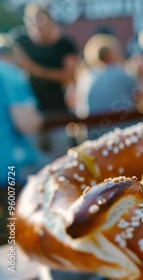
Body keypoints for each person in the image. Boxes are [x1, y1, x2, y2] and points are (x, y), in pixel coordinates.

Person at [0, 35, 44, 245]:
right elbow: (25, 122)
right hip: (10, 166)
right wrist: (37, 118)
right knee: (14, 236)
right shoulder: (10, 75)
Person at [12, 3, 77, 115]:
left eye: (41, 20)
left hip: (56, 108)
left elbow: (68, 75)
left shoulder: (64, 45)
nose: (37, 24)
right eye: (32, 20)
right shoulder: (19, 42)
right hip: (28, 108)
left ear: (50, 21)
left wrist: (36, 70)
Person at [73, 33, 137, 139]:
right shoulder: (122, 73)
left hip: (93, 137)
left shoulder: (85, 77)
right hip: (123, 136)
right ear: (111, 53)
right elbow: (138, 97)